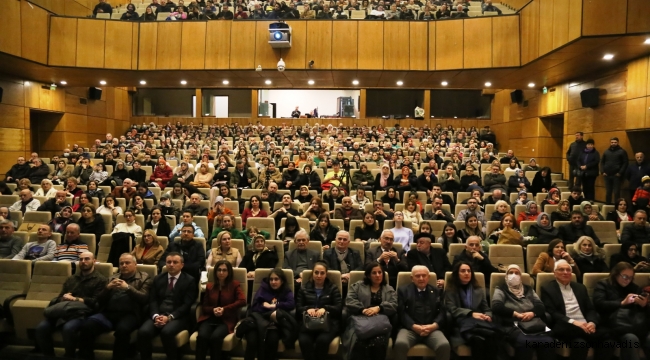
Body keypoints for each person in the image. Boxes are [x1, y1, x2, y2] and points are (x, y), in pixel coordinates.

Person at [78, 253, 152, 360]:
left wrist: (128, 288)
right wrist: (107, 288)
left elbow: (144, 298)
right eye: (121, 263)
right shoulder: (113, 278)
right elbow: (99, 300)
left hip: (131, 313)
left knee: (122, 331)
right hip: (109, 313)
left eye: (127, 263)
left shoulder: (144, 278)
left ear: (135, 264)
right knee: (87, 326)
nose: (124, 265)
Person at [34, 251, 106, 357]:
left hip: (82, 313)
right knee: (41, 328)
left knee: (68, 328)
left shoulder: (101, 280)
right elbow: (60, 297)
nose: (83, 262)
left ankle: (69, 355)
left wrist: (75, 299)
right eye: (81, 259)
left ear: (94, 261)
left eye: (87, 259)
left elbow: (95, 302)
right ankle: (49, 356)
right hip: (63, 310)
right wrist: (63, 298)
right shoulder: (72, 278)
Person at [541, 259, 616, 360]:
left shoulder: (580, 287)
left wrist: (592, 323)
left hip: (585, 325)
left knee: (609, 342)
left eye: (568, 270)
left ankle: (590, 333)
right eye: (561, 270)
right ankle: (592, 334)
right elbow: (552, 312)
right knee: (581, 344)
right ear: (555, 273)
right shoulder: (548, 289)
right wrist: (574, 322)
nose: (565, 272)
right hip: (566, 325)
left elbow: (590, 309)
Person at [138, 252, 198, 360]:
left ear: (182, 265)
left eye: (175, 262)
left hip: (178, 316)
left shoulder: (189, 280)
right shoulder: (158, 279)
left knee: (167, 332)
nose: (171, 265)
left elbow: (187, 304)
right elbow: (153, 300)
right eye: (169, 262)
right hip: (159, 313)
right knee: (143, 332)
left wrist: (169, 317)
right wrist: (156, 316)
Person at [491, 264, 556, 360]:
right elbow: (496, 306)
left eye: (517, 273)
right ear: (506, 275)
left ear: (520, 276)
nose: (514, 275)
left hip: (534, 323)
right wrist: (515, 314)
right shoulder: (501, 289)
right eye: (511, 273)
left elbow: (540, 305)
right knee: (525, 343)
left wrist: (532, 313)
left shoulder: (528, 289)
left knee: (549, 342)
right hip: (513, 325)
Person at [593, 262, 650, 360]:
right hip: (613, 326)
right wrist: (622, 303)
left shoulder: (634, 287)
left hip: (635, 325)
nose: (628, 280)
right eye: (625, 276)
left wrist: (643, 305)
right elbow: (599, 304)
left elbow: (642, 312)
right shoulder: (603, 284)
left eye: (631, 277)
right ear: (615, 274)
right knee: (631, 339)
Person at [444, 262, 500, 360]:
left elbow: (486, 308)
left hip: (480, 322)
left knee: (492, 337)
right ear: (457, 273)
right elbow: (452, 309)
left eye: (469, 271)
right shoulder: (450, 290)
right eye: (463, 271)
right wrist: (471, 313)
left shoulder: (478, 289)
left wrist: (487, 316)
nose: (466, 273)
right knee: (477, 340)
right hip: (460, 325)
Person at [342, 262, 397, 360]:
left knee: (378, 344)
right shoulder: (357, 286)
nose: (378, 275)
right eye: (374, 273)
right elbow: (349, 300)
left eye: (380, 272)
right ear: (368, 275)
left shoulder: (389, 289)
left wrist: (379, 308)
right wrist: (362, 309)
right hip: (360, 321)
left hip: (379, 323)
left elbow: (394, 304)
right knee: (359, 343)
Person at [393, 265, 450, 360]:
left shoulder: (436, 291)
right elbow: (401, 312)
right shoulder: (403, 291)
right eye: (417, 276)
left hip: (431, 328)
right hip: (410, 329)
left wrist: (434, 326)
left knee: (444, 345)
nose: (421, 278)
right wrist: (413, 326)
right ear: (412, 278)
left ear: (428, 277)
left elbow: (443, 312)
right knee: (400, 344)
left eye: (424, 275)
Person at [195, 260, 246, 360]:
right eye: (219, 270)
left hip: (226, 320)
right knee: (202, 337)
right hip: (209, 318)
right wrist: (213, 310)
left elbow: (242, 301)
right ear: (215, 272)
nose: (221, 273)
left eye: (224, 270)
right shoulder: (210, 286)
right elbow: (204, 307)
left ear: (229, 272)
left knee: (215, 338)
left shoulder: (234, 285)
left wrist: (224, 309)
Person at [242, 268, 296, 360]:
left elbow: (291, 304)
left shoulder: (285, 290)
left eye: (276, 279)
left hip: (273, 323)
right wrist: (265, 307)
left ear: (282, 281)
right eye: (271, 279)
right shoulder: (263, 288)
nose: (273, 282)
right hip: (257, 321)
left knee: (272, 340)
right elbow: (254, 306)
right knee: (252, 340)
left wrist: (275, 306)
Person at [296, 261, 343, 360]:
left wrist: (325, 308)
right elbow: (298, 308)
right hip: (307, 324)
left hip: (328, 324)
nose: (319, 275)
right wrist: (307, 309)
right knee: (304, 341)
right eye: (316, 272)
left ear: (326, 274)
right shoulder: (304, 289)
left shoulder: (333, 288)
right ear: (312, 273)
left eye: (322, 273)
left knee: (322, 341)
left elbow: (339, 308)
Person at [601, 137, 628, 205]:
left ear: (618, 143)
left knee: (616, 192)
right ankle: (607, 206)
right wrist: (602, 171)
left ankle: (617, 207)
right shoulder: (606, 151)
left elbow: (625, 163)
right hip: (607, 175)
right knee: (608, 192)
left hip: (617, 175)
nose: (613, 144)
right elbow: (602, 162)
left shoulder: (622, 151)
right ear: (610, 143)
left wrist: (620, 172)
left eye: (615, 142)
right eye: (612, 142)